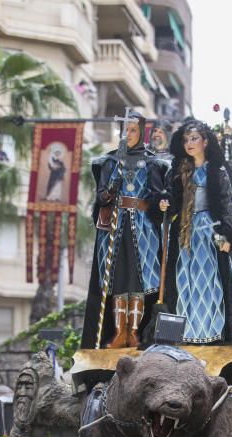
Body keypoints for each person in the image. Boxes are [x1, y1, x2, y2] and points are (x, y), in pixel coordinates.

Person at [81, 110, 167, 349]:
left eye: (133, 130)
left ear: (141, 132)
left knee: (138, 282)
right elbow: (101, 196)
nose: (128, 135)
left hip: (143, 228)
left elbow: (158, 194)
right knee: (119, 280)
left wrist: (159, 203)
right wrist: (110, 190)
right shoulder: (110, 162)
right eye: (125, 130)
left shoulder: (152, 163)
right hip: (115, 228)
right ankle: (120, 332)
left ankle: (135, 332)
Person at [161, 119, 232, 343]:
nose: (189, 143)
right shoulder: (178, 172)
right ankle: (181, 336)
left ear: (205, 142)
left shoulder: (217, 172)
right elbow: (170, 198)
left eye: (194, 138)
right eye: (186, 139)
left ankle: (212, 335)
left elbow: (228, 206)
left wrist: (230, 237)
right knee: (183, 281)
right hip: (185, 233)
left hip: (210, 233)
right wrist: (165, 204)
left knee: (209, 282)